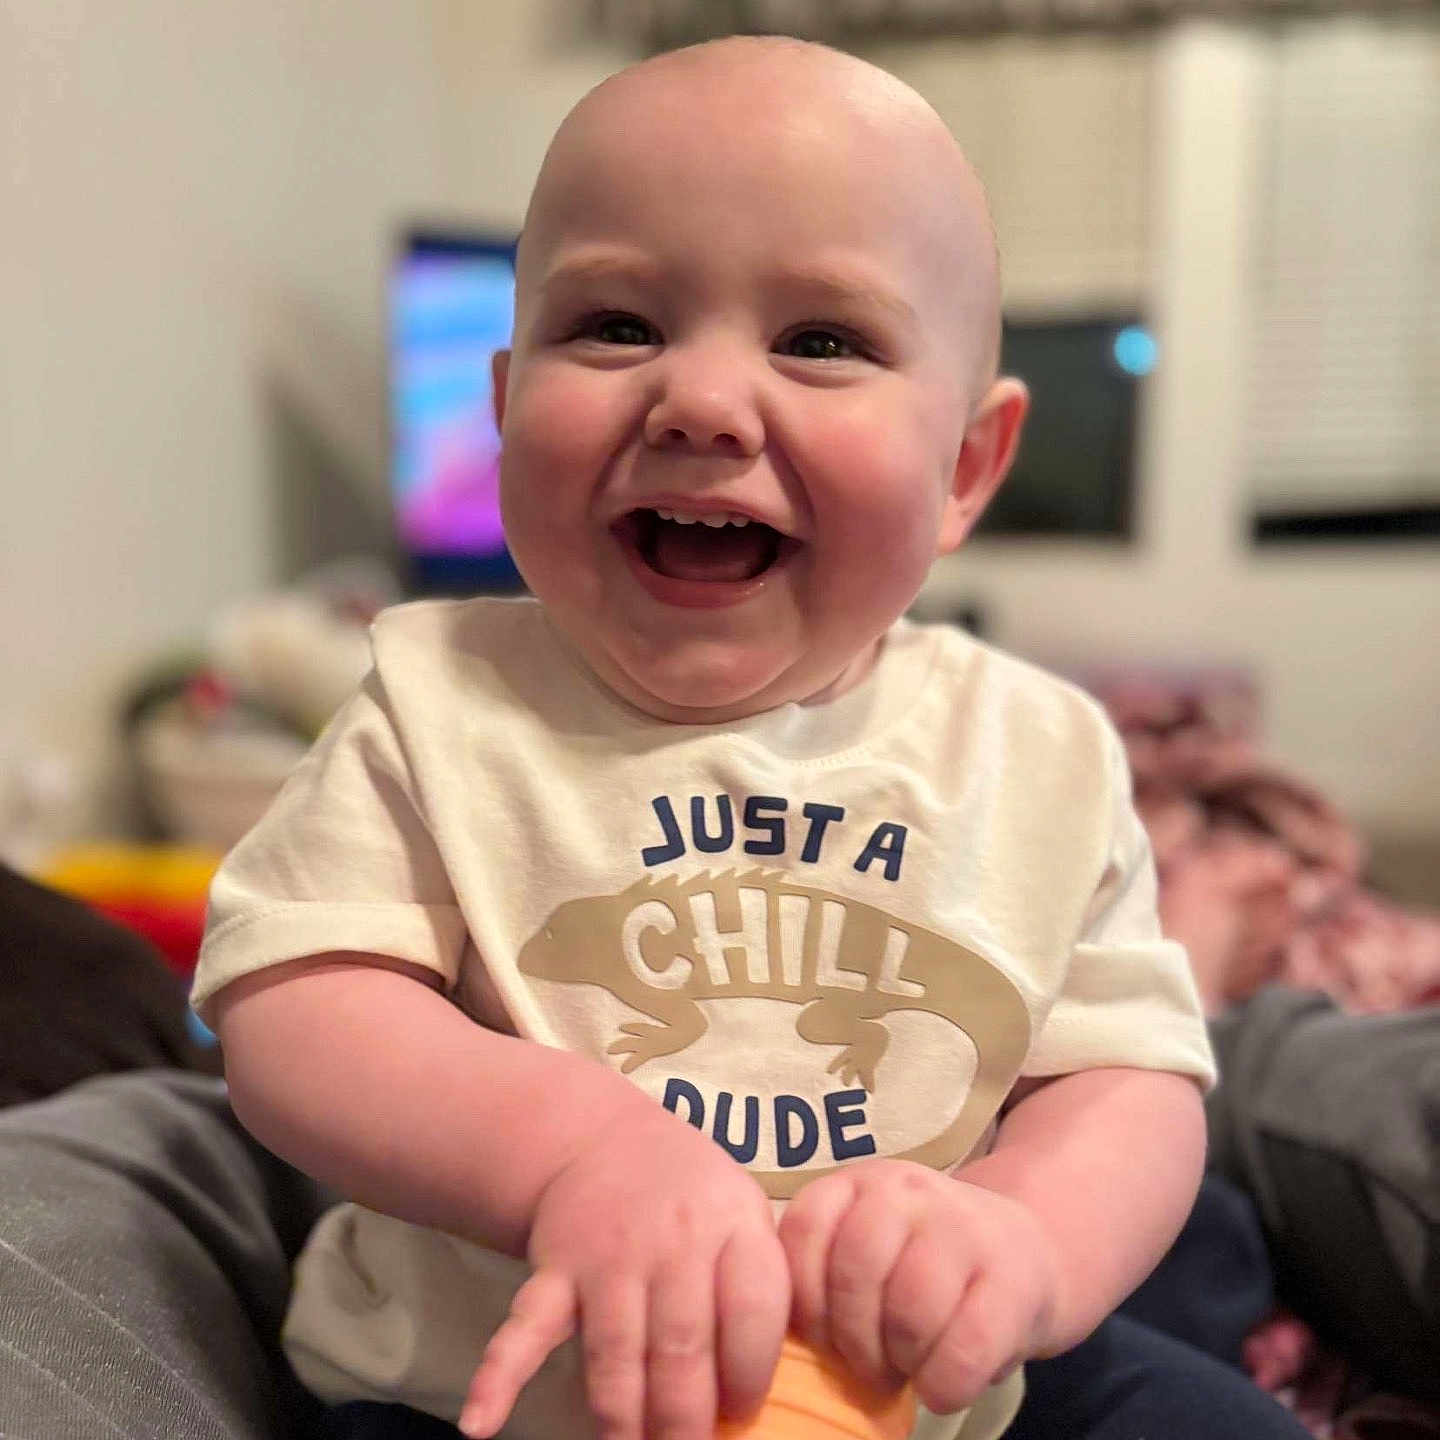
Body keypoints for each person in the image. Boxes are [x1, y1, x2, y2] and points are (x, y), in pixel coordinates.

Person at [194, 35, 1252, 1440]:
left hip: (921, 1389)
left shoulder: (1036, 751)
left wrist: (1024, 1245)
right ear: (503, 411)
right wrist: (572, 1158)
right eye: (619, 324)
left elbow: (1127, 1081)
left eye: (821, 340)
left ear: (966, 469)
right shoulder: (440, 703)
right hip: (496, 1386)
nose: (695, 400)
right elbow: (296, 1008)